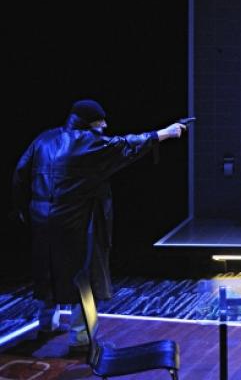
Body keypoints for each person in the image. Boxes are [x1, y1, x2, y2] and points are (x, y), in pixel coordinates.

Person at [11, 99, 187, 349]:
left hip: (41, 219)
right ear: (88, 122)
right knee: (83, 276)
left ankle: (46, 324)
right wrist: (165, 133)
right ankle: (81, 336)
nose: (104, 125)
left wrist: (23, 209)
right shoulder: (88, 143)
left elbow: (20, 173)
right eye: (100, 121)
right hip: (75, 222)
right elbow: (126, 144)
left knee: (47, 270)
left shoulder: (44, 138)